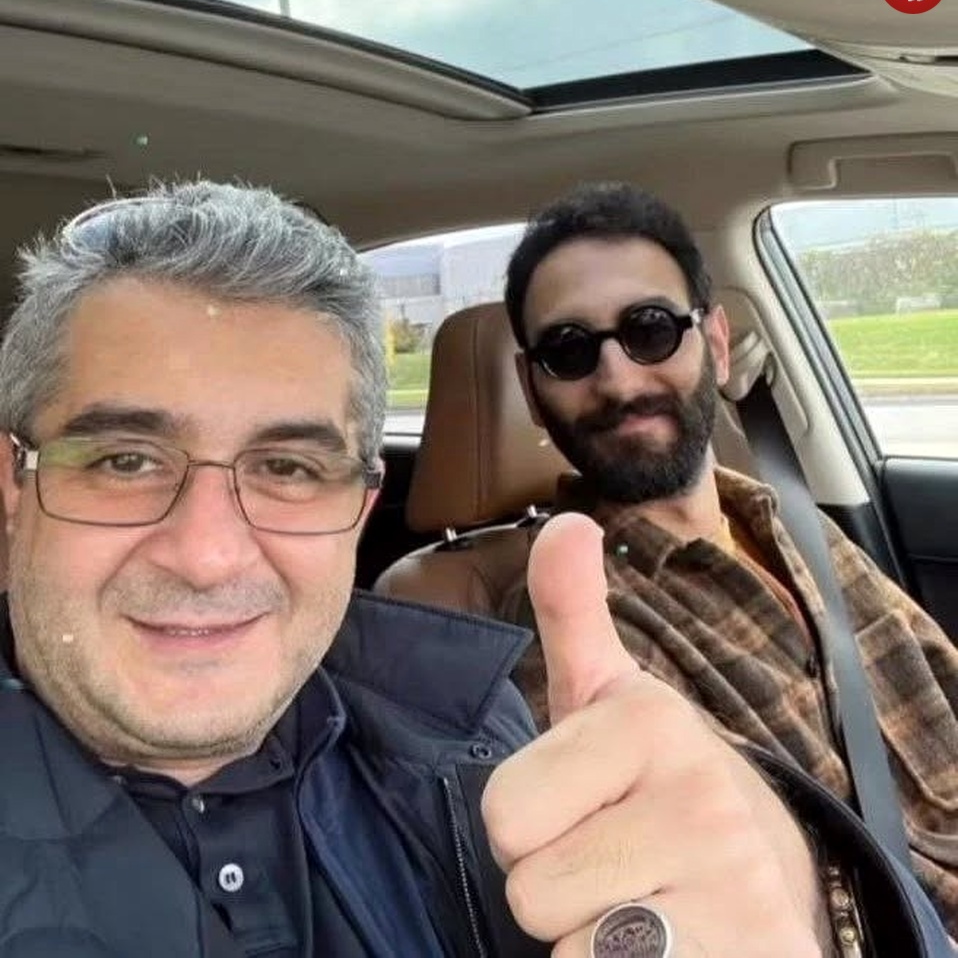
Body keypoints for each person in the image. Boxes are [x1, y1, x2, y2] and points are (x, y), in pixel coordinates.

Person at [0, 181, 947, 958]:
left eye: (288, 469)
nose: (207, 554)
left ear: (359, 506)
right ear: (11, 484)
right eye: (124, 460)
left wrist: (814, 893)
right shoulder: (540, 646)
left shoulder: (468, 723)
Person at [499, 180, 958, 940]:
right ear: (531, 385)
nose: (618, 380)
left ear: (714, 343)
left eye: (650, 330)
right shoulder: (577, 631)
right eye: (569, 350)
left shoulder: (796, 525)